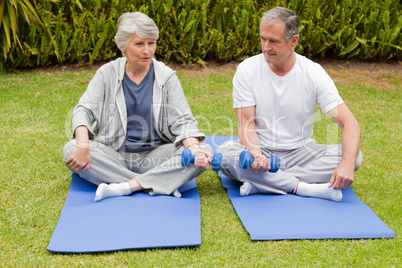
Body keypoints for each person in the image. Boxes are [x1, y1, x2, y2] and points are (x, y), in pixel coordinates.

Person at [216, 7, 362, 202]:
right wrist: (256, 156)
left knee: (354, 157)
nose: (266, 47)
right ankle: (302, 188)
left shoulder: (313, 72)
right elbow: (246, 123)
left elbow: (350, 124)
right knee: (225, 154)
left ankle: (264, 183)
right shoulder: (247, 70)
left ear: (294, 41)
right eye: (263, 39)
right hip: (261, 151)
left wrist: (347, 163)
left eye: (274, 41)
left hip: (302, 153)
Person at [63, 12, 213, 201]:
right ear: (122, 46)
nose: (147, 51)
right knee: (71, 148)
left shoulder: (166, 76)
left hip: (155, 156)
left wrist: (195, 149)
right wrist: (83, 146)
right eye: (139, 44)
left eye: (151, 43)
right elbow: (83, 110)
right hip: (114, 154)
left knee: (205, 150)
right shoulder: (106, 73)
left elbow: (183, 121)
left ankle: (125, 187)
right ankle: (160, 183)